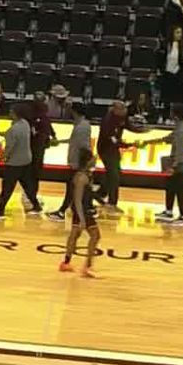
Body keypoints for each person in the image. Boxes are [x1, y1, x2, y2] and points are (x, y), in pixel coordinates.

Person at [0, 103, 43, 219]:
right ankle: (36, 206)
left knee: (7, 187)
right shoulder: (25, 124)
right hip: (26, 160)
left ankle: (0, 211)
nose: (10, 113)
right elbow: (11, 134)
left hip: (15, 163)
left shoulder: (14, 129)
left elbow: (9, 148)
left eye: (12, 111)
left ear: (16, 114)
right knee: (27, 186)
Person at [147, 104, 183, 227]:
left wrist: (175, 166)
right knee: (170, 185)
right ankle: (169, 211)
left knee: (180, 188)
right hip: (178, 159)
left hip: (181, 162)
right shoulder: (182, 125)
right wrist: (151, 141)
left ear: (174, 114)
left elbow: (181, 150)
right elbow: (171, 138)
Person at [48, 102, 93, 222]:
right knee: (78, 187)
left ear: (74, 111)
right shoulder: (81, 124)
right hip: (78, 162)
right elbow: (74, 141)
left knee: (72, 187)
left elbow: (83, 147)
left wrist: (81, 165)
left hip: (79, 163)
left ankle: (62, 211)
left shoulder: (82, 127)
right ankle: (90, 208)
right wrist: (60, 142)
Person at [59, 149, 100, 278]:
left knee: (74, 235)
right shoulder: (81, 177)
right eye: (92, 159)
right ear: (87, 161)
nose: (95, 160)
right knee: (95, 235)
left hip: (84, 209)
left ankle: (66, 263)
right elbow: (77, 199)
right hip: (82, 210)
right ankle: (87, 266)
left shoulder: (86, 174)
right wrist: (82, 218)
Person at [93, 100, 133, 213]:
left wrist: (142, 131)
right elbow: (112, 139)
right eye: (122, 108)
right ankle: (112, 203)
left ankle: (98, 194)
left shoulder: (122, 116)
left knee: (116, 173)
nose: (125, 111)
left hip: (113, 149)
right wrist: (125, 145)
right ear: (115, 109)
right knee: (114, 175)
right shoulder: (107, 121)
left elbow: (128, 126)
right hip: (105, 149)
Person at [28, 91, 58, 204]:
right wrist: (48, 138)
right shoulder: (33, 116)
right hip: (35, 147)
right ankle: (31, 195)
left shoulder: (42, 114)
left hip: (40, 147)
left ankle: (32, 194)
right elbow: (37, 131)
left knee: (36, 172)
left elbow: (47, 124)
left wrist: (53, 135)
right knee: (33, 172)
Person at [159, 25, 183, 106]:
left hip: (179, 75)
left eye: (181, 33)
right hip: (167, 75)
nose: (179, 35)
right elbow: (161, 59)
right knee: (166, 99)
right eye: (177, 32)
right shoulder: (166, 45)